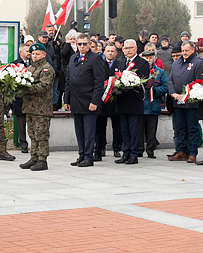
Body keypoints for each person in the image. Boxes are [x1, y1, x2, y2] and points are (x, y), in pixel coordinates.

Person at [65, 34, 106, 167]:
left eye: (84, 44)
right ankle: (81, 155)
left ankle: (89, 156)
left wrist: (95, 101)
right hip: (76, 100)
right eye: (79, 44)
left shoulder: (95, 59)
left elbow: (99, 82)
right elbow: (69, 79)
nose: (82, 46)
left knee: (89, 132)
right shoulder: (73, 58)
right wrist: (67, 99)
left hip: (89, 101)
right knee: (80, 131)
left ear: (89, 44)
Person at [114, 39, 151, 165]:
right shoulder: (120, 62)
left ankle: (134, 154)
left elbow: (144, 81)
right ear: (122, 49)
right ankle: (126, 153)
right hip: (122, 101)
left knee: (134, 130)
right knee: (124, 129)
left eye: (130, 48)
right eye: (126, 48)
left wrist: (131, 83)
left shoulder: (142, 63)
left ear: (136, 49)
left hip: (134, 101)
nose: (128, 50)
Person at [20, 43, 55, 171]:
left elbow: (43, 87)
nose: (34, 56)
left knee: (41, 134)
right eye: (33, 54)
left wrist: (26, 88)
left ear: (44, 55)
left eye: (37, 54)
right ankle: (33, 157)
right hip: (30, 107)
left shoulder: (47, 69)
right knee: (32, 134)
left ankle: (42, 160)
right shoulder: (29, 68)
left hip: (42, 108)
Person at [166, 40, 201, 162]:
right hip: (177, 102)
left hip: (191, 102)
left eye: (187, 50)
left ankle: (192, 152)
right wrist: (173, 94)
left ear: (193, 50)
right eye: (183, 50)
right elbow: (170, 80)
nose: (184, 53)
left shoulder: (198, 63)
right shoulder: (177, 63)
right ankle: (181, 150)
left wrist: (186, 95)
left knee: (192, 128)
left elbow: (198, 82)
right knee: (180, 128)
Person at [96, 43, 123, 160]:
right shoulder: (100, 64)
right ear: (104, 52)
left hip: (116, 100)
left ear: (116, 53)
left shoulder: (120, 64)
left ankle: (117, 148)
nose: (110, 53)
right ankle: (101, 148)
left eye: (112, 51)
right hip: (102, 100)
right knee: (100, 126)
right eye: (108, 51)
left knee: (117, 127)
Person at [140, 47, 168, 159]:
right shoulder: (138, 71)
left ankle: (151, 150)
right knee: (138, 130)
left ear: (154, 59)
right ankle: (139, 149)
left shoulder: (159, 72)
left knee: (151, 130)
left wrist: (155, 90)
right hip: (140, 105)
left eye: (150, 58)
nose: (148, 60)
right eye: (146, 58)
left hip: (153, 105)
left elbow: (165, 87)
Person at [12, 44, 31, 154]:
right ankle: (23, 143)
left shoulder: (33, 64)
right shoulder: (15, 65)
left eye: (30, 51)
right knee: (21, 123)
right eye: (27, 51)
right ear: (20, 52)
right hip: (19, 99)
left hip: (32, 99)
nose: (29, 53)